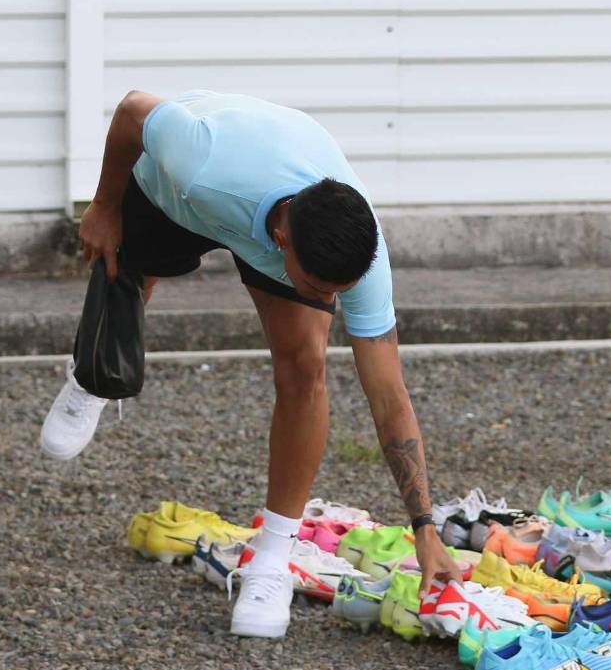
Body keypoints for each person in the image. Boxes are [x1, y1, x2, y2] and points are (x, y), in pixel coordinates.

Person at [39, 89, 463, 637]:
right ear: (283, 241)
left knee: (305, 365)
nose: (332, 299)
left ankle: (271, 562)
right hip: (173, 196)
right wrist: (102, 206)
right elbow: (132, 111)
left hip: (273, 201)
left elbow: (389, 396)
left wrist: (424, 528)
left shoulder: (360, 259)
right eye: (319, 288)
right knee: (124, 271)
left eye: (340, 290)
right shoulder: (203, 161)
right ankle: (89, 381)